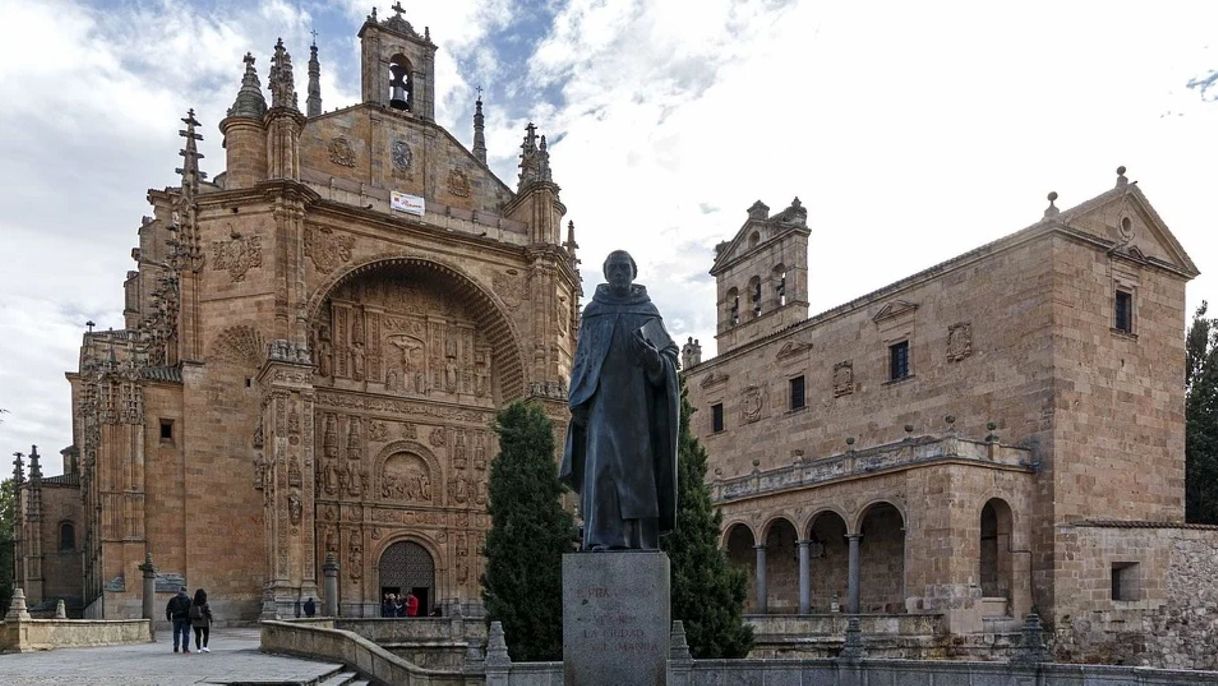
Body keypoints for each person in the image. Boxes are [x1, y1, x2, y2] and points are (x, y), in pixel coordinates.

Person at [560, 250, 679, 551]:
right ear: (606, 273)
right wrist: (578, 402)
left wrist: (655, 361)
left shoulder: (646, 310)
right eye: (613, 268)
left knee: (638, 473)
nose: (619, 273)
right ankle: (601, 538)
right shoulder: (594, 311)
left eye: (624, 268)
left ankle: (639, 540)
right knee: (602, 470)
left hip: (638, 407)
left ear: (634, 272)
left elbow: (670, 355)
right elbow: (582, 359)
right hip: (601, 403)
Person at [165, 586, 192, 653]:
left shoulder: (173, 599)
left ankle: (176, 646)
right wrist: (191, 619)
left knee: (176, 633)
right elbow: (191, 610)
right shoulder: (189, 599)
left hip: (176, 618)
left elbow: (168, 609)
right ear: (185, 591)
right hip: (185, 619)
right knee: (186, 633)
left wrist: (168, 617)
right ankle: (185, 648)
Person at [189, 588, 213, 653]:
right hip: (204, 621)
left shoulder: (193, 603)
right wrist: (211, 619)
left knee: (198, 635)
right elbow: (208, 612)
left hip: (195, 622)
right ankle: (205, 646)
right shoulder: (205, 603)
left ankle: (198, 649)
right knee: (206, 634)